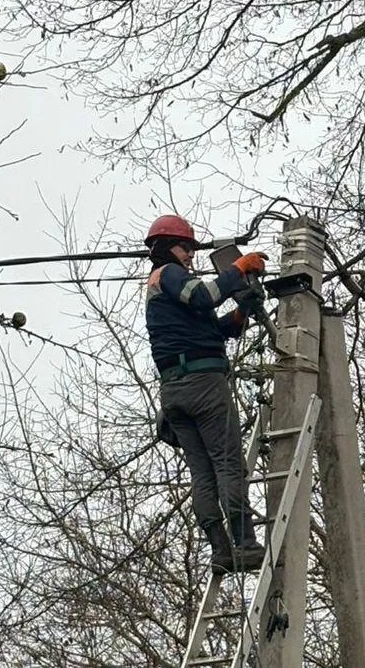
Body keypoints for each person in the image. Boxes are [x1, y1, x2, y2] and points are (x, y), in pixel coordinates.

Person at [143, 213, 269, 574]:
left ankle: (220, 552)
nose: (191, 255)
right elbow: (204, 296)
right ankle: (244, 544)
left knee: (203, 474)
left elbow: (215, 330)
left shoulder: (164, 293)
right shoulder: (168, 275)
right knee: (228, 464)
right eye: (187, 247)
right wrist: (239, 269)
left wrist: (243, 309)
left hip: (175, 393)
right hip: (202, 386)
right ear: (167, 247)